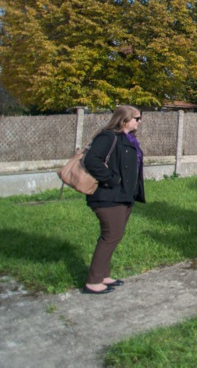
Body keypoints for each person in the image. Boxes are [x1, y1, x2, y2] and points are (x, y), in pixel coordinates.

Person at [81, 105, 146, 295]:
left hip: (124, 195)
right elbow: (91, 160)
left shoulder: (128, 139)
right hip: (108, 196)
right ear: (124, 120)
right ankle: (93, 281)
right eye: (137, 118)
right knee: (111, 236)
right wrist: (112, 179)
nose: (139, 121)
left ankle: (103, 275)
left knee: (114, 235)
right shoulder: (108, 137)